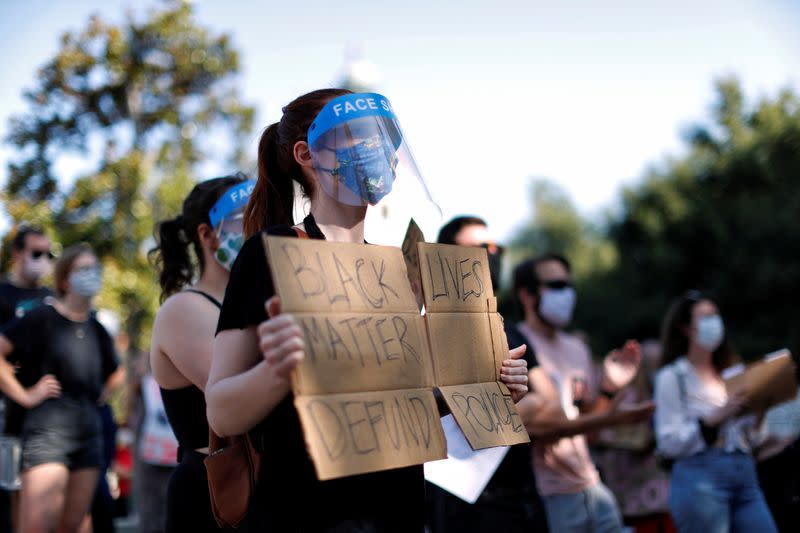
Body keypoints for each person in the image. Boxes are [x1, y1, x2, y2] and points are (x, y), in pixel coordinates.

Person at [205, 89, 529, 532]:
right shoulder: (272, 252)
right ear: (305, 154)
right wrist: (278, 372)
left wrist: (484, 388)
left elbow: (393, 410)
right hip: (306, 514)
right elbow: (221, 412)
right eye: (356, 136)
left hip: (396, 513)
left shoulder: (392, 268)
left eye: (383, 138)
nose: (376, 150)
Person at [510, 253, 655, 533]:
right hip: (548, 493)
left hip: (593, 486)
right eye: (555, 285)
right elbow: (536, 429)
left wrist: (608, 390)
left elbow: (590, 432)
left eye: (568, 285)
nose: (566, 294)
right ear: (526, 295)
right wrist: (613, 418)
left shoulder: (577, 348)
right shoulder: (515, 344)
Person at [427, 215, 548, 532]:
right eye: (478, 248)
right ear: (445, 256)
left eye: (494, 247)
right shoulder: (427, 325)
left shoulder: (507, 327)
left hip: (518, 492)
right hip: (459, 496)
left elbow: (544, 402)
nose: (490, 255)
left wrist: (505, 401)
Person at [149, 175, 251, 532]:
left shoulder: (247, 301)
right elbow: (242, 398)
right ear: (207, 235)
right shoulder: (185, 309)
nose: (259, 226)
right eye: (245, 217)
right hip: (214, 499)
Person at [0, 243, 123, 532]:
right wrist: (26, 395)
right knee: (38, 525)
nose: (91, 274)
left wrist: (102, 394)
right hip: (47, 435)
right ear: (65, 279)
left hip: (89, 434)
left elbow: (117, 372)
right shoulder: (41, 318)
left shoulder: (97, 328)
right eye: (83, 269)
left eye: (94, 268)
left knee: (77, 523)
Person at [653, 290, 778, 533]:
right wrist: (717, 417)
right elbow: (668, 443)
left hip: (745, 475)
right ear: (686, 328)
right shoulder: (672, 377)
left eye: (716, 316)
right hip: (701, 480)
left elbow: (751, 440)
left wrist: (760, 413)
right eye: (705, 318)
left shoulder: (732, 372)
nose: (714, 324)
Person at [0, 225, 54, 532]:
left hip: (50, 416)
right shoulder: (3, 294)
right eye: (36, 253)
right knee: (14, 489)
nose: (43, 259)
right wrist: (23, 394)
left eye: (48, 253)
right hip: (10, 413)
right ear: (18, 254)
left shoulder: (51, 296)